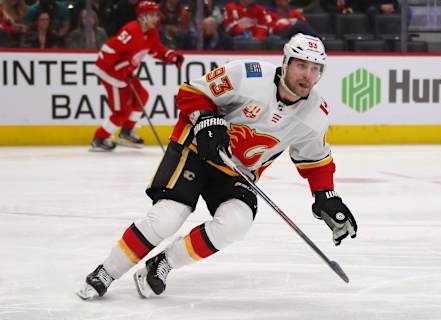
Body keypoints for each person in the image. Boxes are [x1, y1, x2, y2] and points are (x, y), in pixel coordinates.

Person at [77, 33, 357, 300]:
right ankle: (107, 271)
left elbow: (315, 161)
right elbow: (190, 93)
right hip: (196, 151)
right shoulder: (248, 74)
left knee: (237, 223)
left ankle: (163, 263)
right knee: (167, 217)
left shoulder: (315, 114)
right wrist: (206, 119)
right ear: (285, 63)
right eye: (301, 65)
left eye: (315, 69)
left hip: (237, 172)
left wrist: (326, 196)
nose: (307, 75)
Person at [90, 0, 185, 151]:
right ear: (143, 16)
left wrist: (170, 56)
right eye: (153, 15)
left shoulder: (151, 32)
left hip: (125, 72)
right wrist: (120, 69)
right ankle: (100, 138)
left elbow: (156, 49)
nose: (157, 18)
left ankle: (126, 132)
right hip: (110, 73)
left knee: (142, 95)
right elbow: (107, 51)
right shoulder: (130, 31)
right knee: (122, 111)